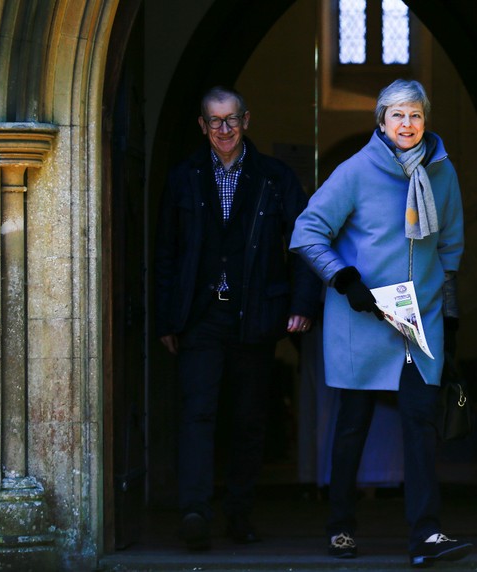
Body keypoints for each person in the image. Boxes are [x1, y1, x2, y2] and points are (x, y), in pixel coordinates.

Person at [290, 79, 471, 568]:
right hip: (363, 319)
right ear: (381, 122)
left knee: (420, 425)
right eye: (397, 116)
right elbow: (307, 231)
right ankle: (341, 529)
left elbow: (449, 250)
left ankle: (426, 535)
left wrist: (448, 319)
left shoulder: (442, 173)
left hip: (421, 319)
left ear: (424, 121)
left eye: (415, 115)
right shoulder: (355, 171)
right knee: (352, 427)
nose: (407, 124)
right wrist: (343, 278)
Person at [154, 86, 321, 550]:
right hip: (200, 316)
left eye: (231, 120)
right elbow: (166, 251)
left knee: (249, 420)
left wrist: (303, 305)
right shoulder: (184, 176)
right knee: (197, 413)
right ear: (202, 126)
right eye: (214, 121)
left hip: (257, 314)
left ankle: (240, 515)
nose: (224, 130)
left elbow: (306, 242)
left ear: (246, 121)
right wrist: (167, 319)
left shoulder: (275, 177)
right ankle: (194, 512)